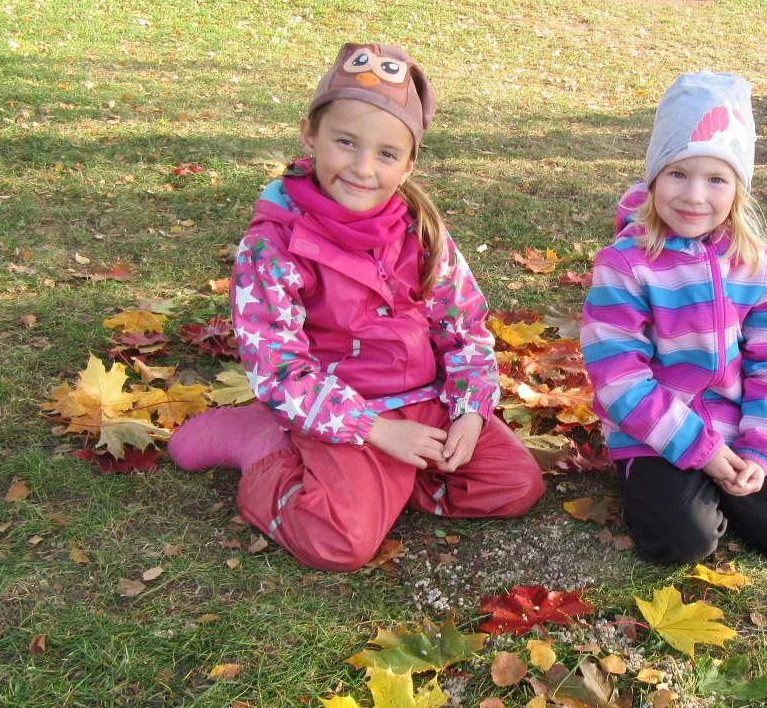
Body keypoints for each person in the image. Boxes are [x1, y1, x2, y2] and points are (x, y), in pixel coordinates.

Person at [170, 43, 544, 571]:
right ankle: (263, 446)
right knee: (338, 543)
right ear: (310, 134)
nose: (363, 168)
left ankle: (383, 486)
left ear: (409, 163)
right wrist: (377, 432)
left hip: (426, 402)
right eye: (345, 142)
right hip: (341, 413)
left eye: (387, 154)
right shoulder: (273, 245)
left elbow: (464, 328)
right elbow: (278, 369)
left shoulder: (422, 231)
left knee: (516, 485)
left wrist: (469, 411)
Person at [581, 72, 767, 564]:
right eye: (677, 173)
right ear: (654, 177)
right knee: (682, 542)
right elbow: (618, 377)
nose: (694, 196)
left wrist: (759, 446)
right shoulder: (625, 265)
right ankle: (666, 485)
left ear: (738, 189)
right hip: (652, 428)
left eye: (716, 179)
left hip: (737, 416)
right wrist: (704, 454)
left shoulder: (759, 264)